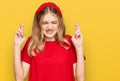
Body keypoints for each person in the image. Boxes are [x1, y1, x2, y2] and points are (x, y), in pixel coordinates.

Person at [14, 2, 85, 81]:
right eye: (45, 23)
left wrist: (79, 47)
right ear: (39, 24)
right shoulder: (32, 43)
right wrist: (16, 46)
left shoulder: (69, 42)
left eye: (54, 22)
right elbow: (19, 78)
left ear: (59, 23)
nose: (49, 27)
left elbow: (80, 78)